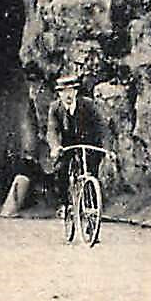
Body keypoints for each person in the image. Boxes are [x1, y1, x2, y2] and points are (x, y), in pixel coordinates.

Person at [45, 73, 102, 207]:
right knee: (60, 171)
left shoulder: (88, 105)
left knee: (92, 173)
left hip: (89, 145)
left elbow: (101, 126)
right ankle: (65, 205)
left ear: (76, 91)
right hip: (67, 146)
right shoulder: (55, 108)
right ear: (59, 94)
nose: (68, 95)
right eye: (64, 92)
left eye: (71, 91)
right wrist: (55, 147)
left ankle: (91, 208)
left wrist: (107, 148)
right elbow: (52, 130)